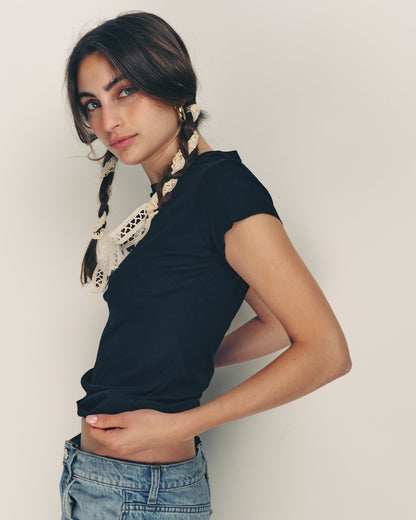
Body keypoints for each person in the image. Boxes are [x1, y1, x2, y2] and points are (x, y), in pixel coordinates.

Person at [60, 11, 352, 520]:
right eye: (93, 104)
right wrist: (191, 357)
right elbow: (274, 322)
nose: (108, 121)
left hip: (142, 495)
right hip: (100, 482)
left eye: (124, 91)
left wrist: (177, 424)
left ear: (173, 84)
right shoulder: (172, 200)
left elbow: (327, 352)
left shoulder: (221, 188)